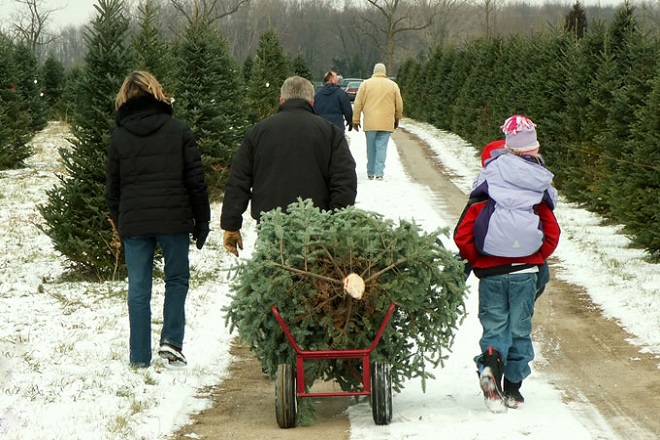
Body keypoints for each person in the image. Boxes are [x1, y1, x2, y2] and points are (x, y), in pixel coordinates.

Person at [453, 115, 561, 411]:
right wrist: (538, 257)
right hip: (526, 272)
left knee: (495, 327)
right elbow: (552, 233)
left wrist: (478, 259)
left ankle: (490, 369)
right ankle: (513, 389)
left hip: (491, 273)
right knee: (519, 329)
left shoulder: (488, 185)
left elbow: (463, 234)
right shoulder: (535, 188)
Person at [106, 71, 211, 369]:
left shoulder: (120, 137)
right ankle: (171, 342)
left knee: (139, 288)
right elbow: (196, 181)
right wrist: (202, 221)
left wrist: (120, 221)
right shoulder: (178, 130)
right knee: (176, 280)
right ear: (156, 92)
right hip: (173, 220)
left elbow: (112, 188)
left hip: (135, 223)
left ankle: (139, 356)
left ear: (125, 97)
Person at [221, 75, 358, 257]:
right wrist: (334, 222)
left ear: (281, 100)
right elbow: (345, 181)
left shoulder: (258, 132)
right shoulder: (330, 132)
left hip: (271, 224)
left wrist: (231, 225)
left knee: (271, 278)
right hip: (316, 227)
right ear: (312, 101)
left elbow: (239, 180)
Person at [352, 63, 403, 181]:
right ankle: (379, 172)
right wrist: (397, 118)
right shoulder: (393, 85)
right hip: (386, 121)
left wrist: (356, 119)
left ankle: (370, 172)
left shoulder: (365, 84)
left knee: (370, 147)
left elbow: (358, 103)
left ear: (374, 71)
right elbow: (399, 105)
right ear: (384, 72)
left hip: (370, 122)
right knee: (382, 147)